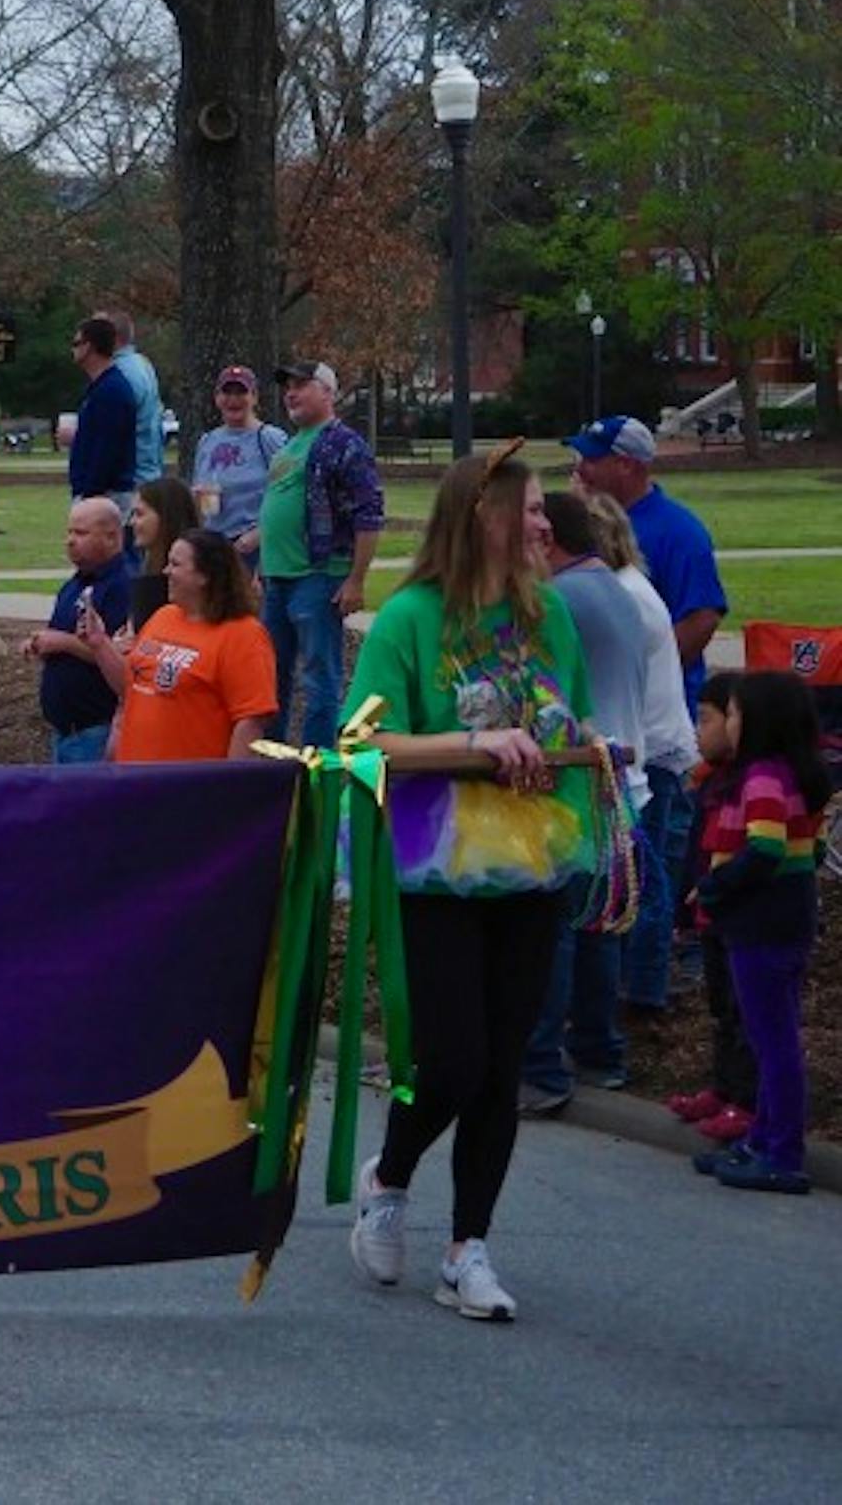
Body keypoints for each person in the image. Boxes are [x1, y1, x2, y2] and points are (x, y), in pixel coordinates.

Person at [347, 450, 607, 1325]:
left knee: (503, 1062)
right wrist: (475, 745)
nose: (543, 524)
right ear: (482, 517)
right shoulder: (409, 618)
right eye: (529, 509)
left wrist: (583, 748)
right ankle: (387, 1180)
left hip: (532, 855)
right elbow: (361, 740)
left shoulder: (547, 613)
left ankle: (467, 1249)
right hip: (434, 863)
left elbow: (568, 715)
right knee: (453, 1059)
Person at [517, 490, 660, 1114]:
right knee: (597, 925)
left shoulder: (564, 600)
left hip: (577, 783)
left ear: (550, 539)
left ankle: (541, 1068)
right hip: (619, 780)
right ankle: (600, 1054)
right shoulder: (618, 590)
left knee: (553, 932)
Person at [684, 670, 827, 1195]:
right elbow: (811, 848)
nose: (730, 722)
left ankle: (782, 1153)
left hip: (762, 923)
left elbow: (765, 848)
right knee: (770, 1035)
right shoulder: (795, 774)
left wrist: (715, 887)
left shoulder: (763, 776)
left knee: (773, 1042)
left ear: (760, 721)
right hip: (784, 919)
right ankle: (763, 1138)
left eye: (735, 713)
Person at [582, 490, 703, 1020]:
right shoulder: (630, 587)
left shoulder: (620, 595)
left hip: (650, 752)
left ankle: (642, 990)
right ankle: (642, 987)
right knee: (648, 876)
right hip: (659, 745)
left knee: (642, 881)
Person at [259, 359, 383, 751]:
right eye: (288, 387)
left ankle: (317, 766)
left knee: (319, 677)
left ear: (328, 392)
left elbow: (369, 514)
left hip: (317, 577)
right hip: (276, 579)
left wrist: (356, 580)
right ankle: (272, 764)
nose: (291, 393)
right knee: (271, 676)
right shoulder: (288, 446)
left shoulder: (344, 444)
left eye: (302, 385)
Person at [566, 416, 725, 708]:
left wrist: (649, 674)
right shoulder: (585, 522)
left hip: (656, 713)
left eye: (592, 459)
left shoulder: (679, 531)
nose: (579, 469)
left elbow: (702, 618)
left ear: (625, 465)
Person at [91, 528, 278, 764]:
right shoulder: (163, 617)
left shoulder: (243, 635)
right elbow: (130, 686)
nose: (166, 571)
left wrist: (232, 781)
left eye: (175, 564)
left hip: (190, 781)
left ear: (205, 575)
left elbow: (251, 721)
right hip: (136, 776)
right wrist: (99, 643)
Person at [668, 674, 758, 1146]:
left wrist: (713, 889)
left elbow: (760, 853)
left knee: (745, 1014)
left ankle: (746, 1101)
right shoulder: (712, 781)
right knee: (722, 1008)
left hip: (740, 917)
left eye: (705, 720)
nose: (696, 731)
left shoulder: (753, 785)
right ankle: (724, 1089)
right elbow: (698, 850)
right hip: (712, 913)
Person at [28, 497, 131, 765]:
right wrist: (42, 644)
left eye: (81, 533)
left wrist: (63, 643)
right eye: (69, 532)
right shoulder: (74, 585)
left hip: (95, 729)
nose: (71, 541)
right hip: (63, 730)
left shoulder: (121, 587)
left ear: (112, 537)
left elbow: (120, 656)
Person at [191, 365, 287, 555]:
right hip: (214, 543)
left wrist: (259, 534)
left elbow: (289, 495)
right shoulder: (207, 441)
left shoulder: (269, 438)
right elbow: (199, 490)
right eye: (227, 392)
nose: (233, 399)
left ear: (254, 397)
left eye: (241, 392)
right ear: (217, 398)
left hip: (253, 546)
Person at [65, 316, 140, 510]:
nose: (72, 349)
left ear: (89, 347)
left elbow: (107, 448)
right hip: (97, 493)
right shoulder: (99, 388)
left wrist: (90, 495)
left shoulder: (111, 391)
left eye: (76, 343)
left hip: (106, 495)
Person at [129, 476, 200, 624]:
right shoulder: (145, 573)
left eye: (139, 514)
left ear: (166, 517)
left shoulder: (187, 585)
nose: (132, 522)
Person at [112, 310, 164, 484]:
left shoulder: (121, 374)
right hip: (148, 473)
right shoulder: (142, 364)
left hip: (130, 481)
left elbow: (114, 429)